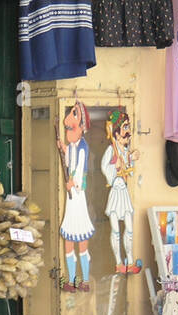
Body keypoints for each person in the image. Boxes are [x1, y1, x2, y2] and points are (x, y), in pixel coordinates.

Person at [58, 101, 95, 291]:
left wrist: (73, 183)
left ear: (82, 126)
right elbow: (69, 160)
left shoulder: (82, 148)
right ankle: (72, 280)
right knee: (69, 241)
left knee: (81, 241)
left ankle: (85, 280)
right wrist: (64, 149)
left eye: (74, 115)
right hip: (71, 200)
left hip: (78, 198)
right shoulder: (72, 146)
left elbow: (80, 169)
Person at [101, 109, 141, 273]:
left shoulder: (124, 151)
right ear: (116, 133)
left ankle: (130, 261)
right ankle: (119, 262)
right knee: (116, 230)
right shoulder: (112, 150)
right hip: (115, 191)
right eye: (124, 128)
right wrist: (114, 167)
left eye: (128, 128)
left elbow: (129, 172)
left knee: (129, 229)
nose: (127, 132)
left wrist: (131, 159)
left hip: (124, 191)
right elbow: (104, 167)